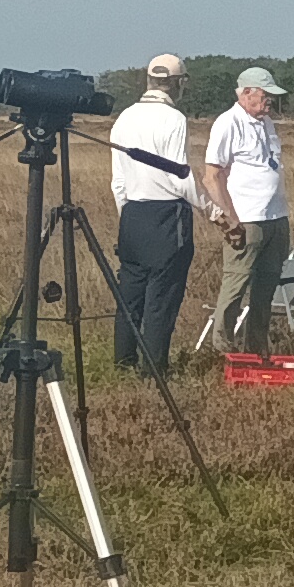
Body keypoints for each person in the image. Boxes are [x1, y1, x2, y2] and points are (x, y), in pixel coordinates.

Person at [103, 53, 198, 378]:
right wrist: (214, 211)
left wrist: (126, 216)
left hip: (132, 216)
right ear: (177, 83)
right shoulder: (174, 120)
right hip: (166, 217)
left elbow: (118, 181)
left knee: (130, 295)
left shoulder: (124, 118)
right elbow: (178, 177)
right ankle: (154, 370)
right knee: (161, 297)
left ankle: (123, 363)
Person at [200, 68, 293, 353]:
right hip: (246, 221)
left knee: (265, 290)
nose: (270, 103)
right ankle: (223, 351)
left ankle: (257, 351)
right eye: (265, 96)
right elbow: (211, 176)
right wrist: (231, 219)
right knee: (235, 287)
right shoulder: (228, 123)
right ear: (246, 92)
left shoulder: (266, 124)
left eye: (271, 98)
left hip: (276, 218)